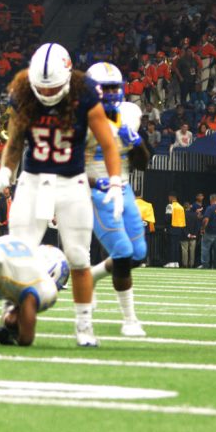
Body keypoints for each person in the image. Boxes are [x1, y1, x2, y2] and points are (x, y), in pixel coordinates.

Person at [0, 43, 123, 348]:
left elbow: (108, 142)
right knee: (18, 253)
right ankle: (8, 318)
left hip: (70, 181)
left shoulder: (85, 92)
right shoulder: (22, 90)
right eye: (42, 89)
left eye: (53, 89)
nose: (47, 95)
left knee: (78, 256)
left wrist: (115, 182)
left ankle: (84, 326)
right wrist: (5, 174)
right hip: (33, 180)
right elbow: (15, 141)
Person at [83, 62, 149, 335]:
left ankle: (91, 276)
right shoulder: (80, 121)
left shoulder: (130, 114)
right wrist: (96, 182)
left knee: (138, 255)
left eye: (115, 88)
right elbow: (71, 164)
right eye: (105, 88)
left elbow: (143, 164)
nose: (111, 94)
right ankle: (129, 320)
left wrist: (136, 143)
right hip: (96, 191)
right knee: (122, 253)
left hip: (124, 188)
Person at [199, 193, 216, 269]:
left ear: (211, 200)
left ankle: (205, 266)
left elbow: (206, 219)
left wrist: (203, 228)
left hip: (209, 232)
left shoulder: (210, 208)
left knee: (205, 249)